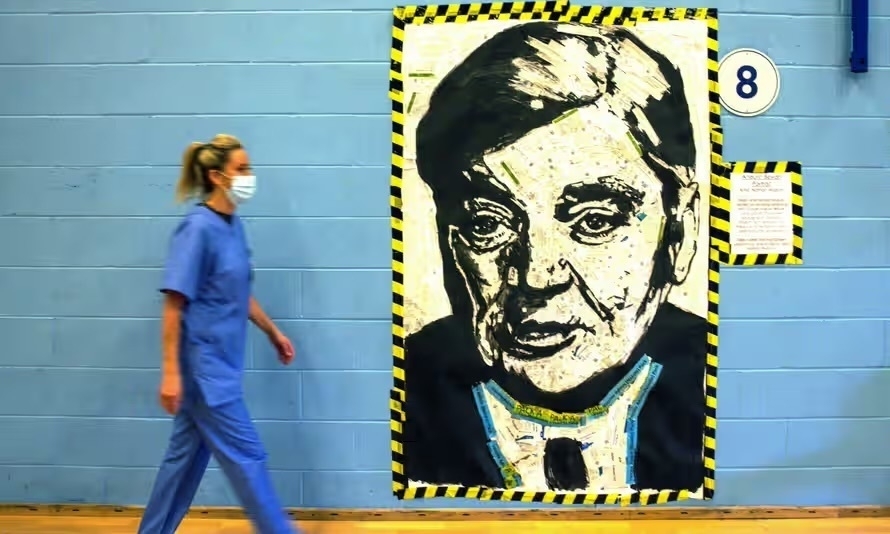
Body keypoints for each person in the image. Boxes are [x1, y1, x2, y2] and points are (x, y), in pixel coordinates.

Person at [403, 22, 707, 493]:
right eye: (487, 224)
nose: (537, 277)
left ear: (680, 235)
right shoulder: (415, 393)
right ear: (448, 239)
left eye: (594, 222)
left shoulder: (707, 381)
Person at [138, 134, 301, 534]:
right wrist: (172, 373)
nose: (249, 176)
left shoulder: (234, 226)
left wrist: (272, 332)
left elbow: (237, 293)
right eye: (241, 169)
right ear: (216, 175)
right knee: (248, 456)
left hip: (219, 367)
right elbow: (174, 304)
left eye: (249, 168)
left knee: (182, 465)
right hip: (205, 370)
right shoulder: (197, 229)